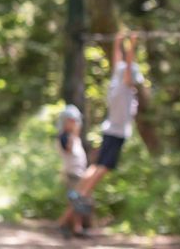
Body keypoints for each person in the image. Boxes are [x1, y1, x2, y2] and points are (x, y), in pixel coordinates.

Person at [70, 32, 143, 215]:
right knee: (105, 167)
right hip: (117, 132)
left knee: (97, 165)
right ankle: (83, 195)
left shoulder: (115, 83)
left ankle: (78, 191)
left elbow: (118, 65)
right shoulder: (125, 87)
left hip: (109, 129)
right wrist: (132, 46)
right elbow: (126, 69)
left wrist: (118, 44)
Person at [55, 105, 89, 238]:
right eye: (72, 121)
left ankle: (77, 227)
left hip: (79, 173)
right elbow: (68, 150)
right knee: (75, 201)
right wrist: (74, 134)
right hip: (72, 174)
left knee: (78, 202)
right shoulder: (64, 137)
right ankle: (63, 224)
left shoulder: (73, 137)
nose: (75, 124)